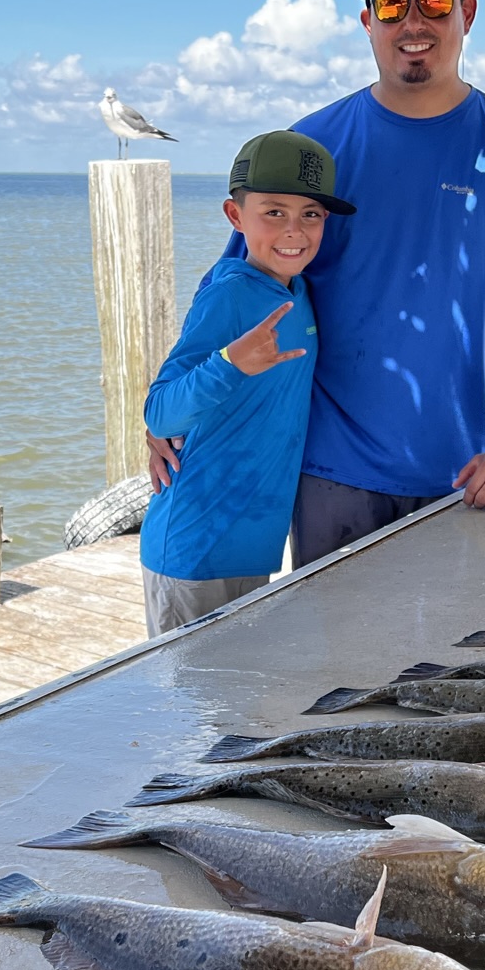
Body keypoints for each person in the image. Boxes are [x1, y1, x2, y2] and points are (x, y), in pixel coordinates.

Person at [150, 0, 485, 566]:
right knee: (327, 637)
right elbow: (237, 289)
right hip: (326, 472)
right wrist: (166, 412)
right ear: (367, 21)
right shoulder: (313, 147)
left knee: (459, 636)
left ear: (467, 13)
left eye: (434, 0)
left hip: (461, 474)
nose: (414, 21)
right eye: (392, 4)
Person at [137, 130, 354, 637]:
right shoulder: (229, 295)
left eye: (311, 214)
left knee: (239, 682)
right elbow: (160, 413)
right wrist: (230, 362)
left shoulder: (299, 290)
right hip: (194, 546)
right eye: (273, 212)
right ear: (236, 216)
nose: (294, 230)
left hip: (253, 546)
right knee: (187, 687)